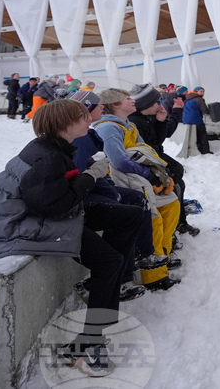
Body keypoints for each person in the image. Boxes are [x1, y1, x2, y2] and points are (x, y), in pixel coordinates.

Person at [0, 99, 143, 378]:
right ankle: (88, 344)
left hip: (42, 216)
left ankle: (107, 284)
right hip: (19, 226)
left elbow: (56, 197)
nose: (89, 121)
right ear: (63, 125)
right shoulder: (46, 157)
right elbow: (52, 206)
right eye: (83, 117)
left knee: (130, 215)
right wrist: (90, 176)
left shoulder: (54, 149)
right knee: (109, 261)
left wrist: (86, 175)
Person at [69, 89, 167, 299]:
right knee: (129, 211)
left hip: (95, 188)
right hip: (78, 200)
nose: (101, 108)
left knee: (135, 202)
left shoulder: (92, 132)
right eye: (97, 106)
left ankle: (140, 259)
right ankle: (128, 271)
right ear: (86, 112)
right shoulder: (94, 133)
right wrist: (145, 175)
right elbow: (82, 174)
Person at [94, 88, 182, 291]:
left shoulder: (129, 125)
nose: (132, 101)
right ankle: (152, 275)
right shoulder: (108, 128)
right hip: (127, 182)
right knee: (153, 221)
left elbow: (147, 150)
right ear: (115, 104)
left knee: (171, 205)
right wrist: (148, 174)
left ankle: (162, 258)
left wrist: (157, 173)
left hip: (140, 178)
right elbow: (119, 161)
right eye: (127, 98)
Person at [129, 83, 200, 236]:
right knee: (176, 187)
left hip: (155, 157)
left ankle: (178, 222)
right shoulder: (136, 122)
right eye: (157, 102)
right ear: (146, 104)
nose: (160, 104)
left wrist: (168, 116)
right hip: (148, 163)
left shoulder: (145, 117)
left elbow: (162, 136)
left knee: (178, 181)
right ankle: (174, 226)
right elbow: (153, 144)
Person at [183, 86, 212, 154]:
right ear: (196, 92)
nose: (202, 93)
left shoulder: (187, 98)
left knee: (193, 135)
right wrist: (210, 111)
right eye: (201, 91)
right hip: (196, 120)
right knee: (202, 134)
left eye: (203, 91)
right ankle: (205, 150)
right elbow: (204, 110)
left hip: (186, 120)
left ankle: (195, 148)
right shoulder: (199, 99)